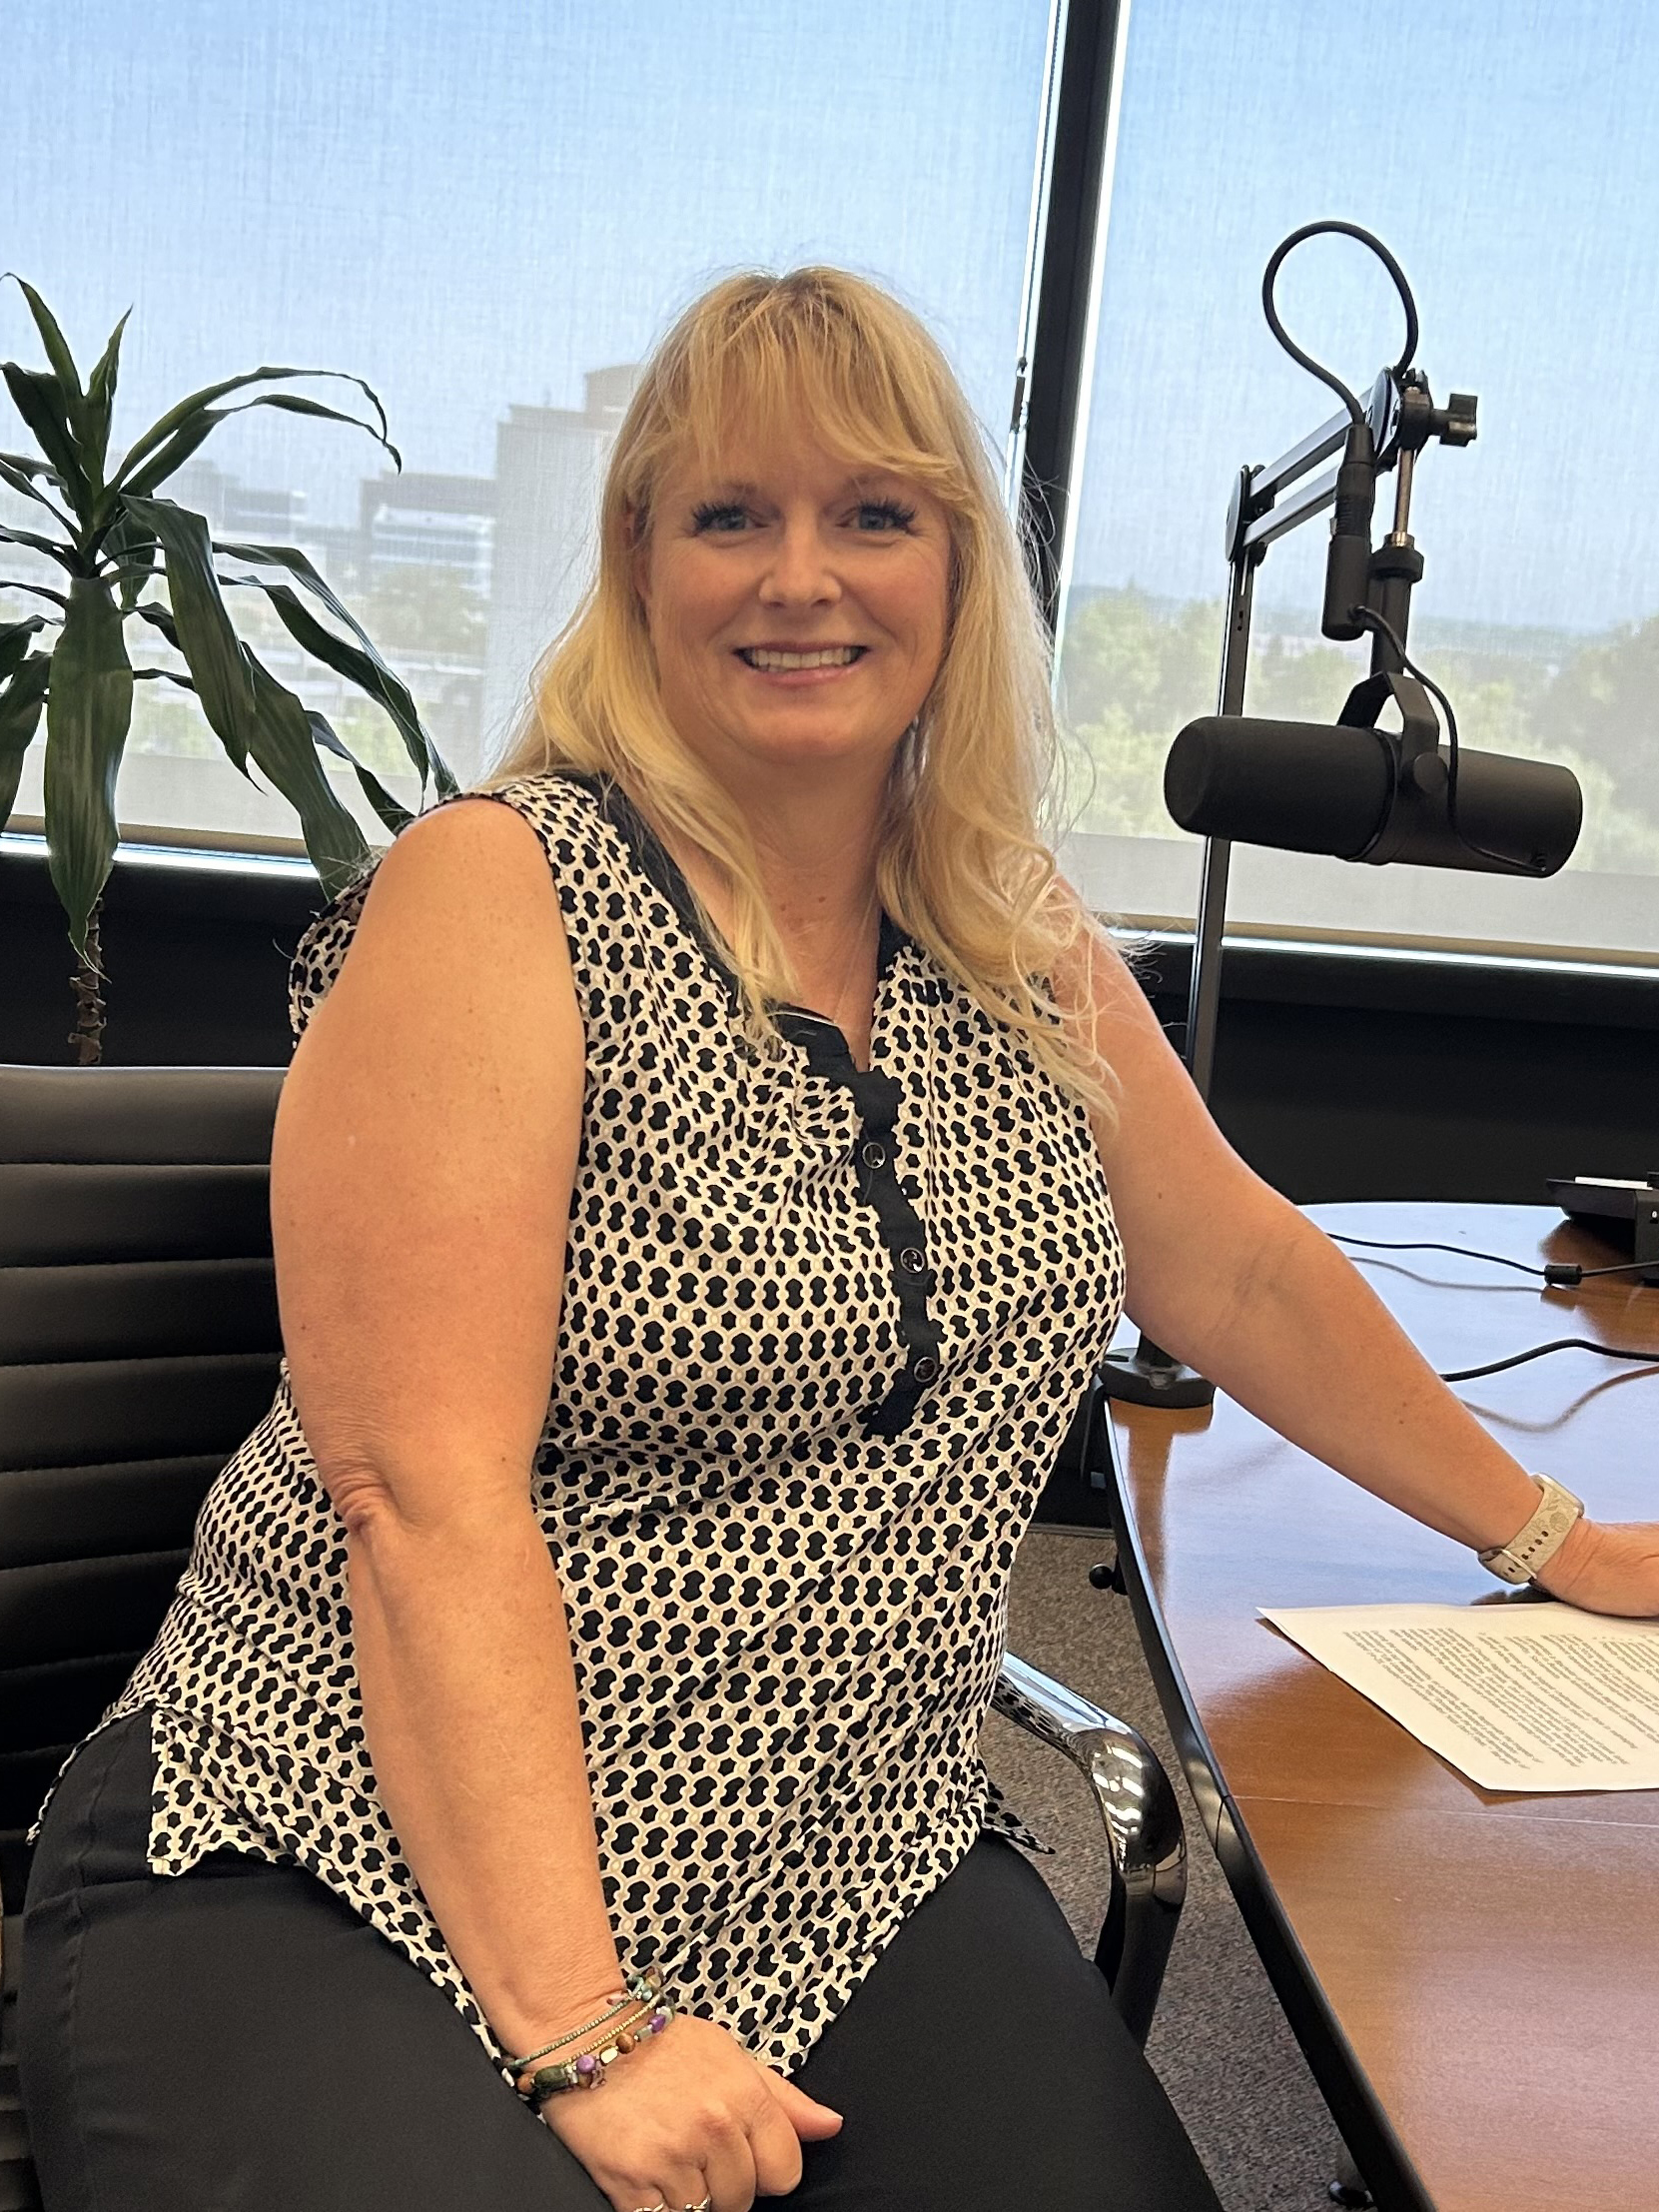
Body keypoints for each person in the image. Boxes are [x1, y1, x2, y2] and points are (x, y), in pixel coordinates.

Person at [18, 266, 1659, 2212]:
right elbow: (414, 1490)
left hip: (838, 1845)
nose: (804, 575)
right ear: (643, 566)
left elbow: (1234, 1262)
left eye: (873, 514)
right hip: (341, 1829)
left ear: (959, 571)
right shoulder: (503, 891)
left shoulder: (1000, 916)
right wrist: (586, 2034)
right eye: (734, 516)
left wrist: (1551, 1537)